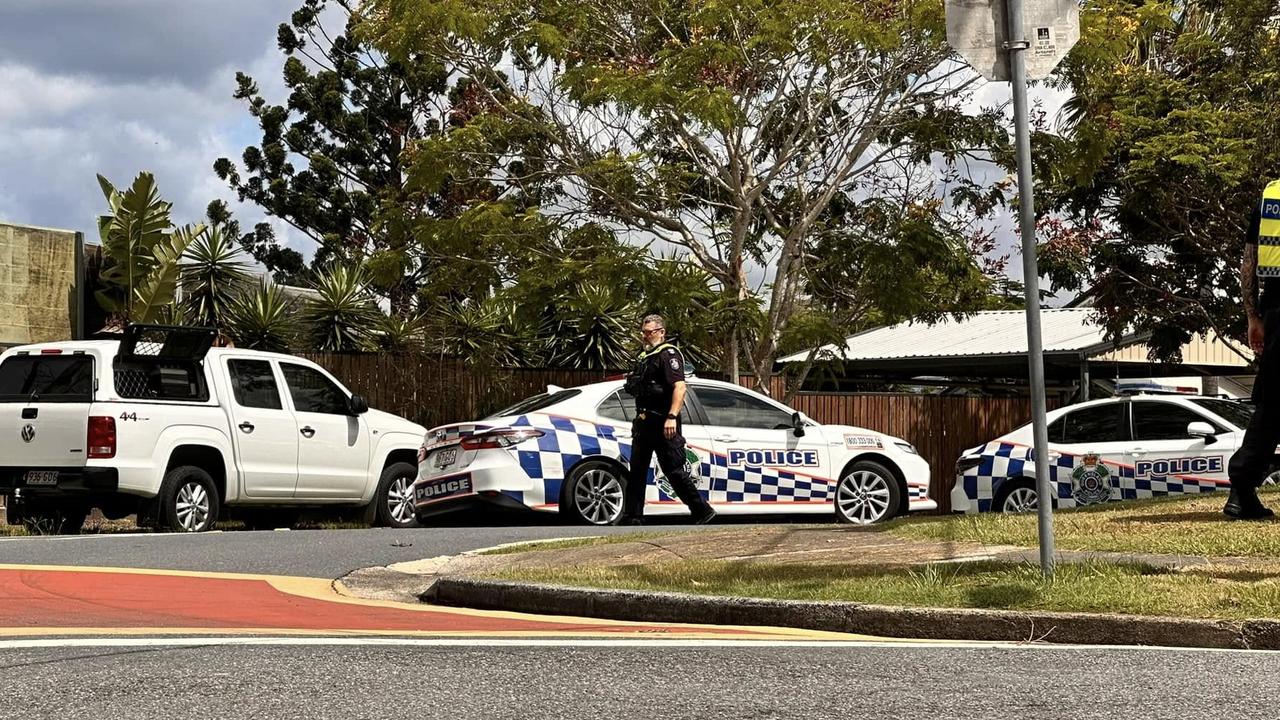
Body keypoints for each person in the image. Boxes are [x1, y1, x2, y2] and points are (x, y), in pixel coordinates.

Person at [620, 314, 716, 525]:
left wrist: (672, 416)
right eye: (643, 333)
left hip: (663, 421)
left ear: (661, 332)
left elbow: (680, 387)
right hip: (644, 422)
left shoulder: (668, 354)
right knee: (636, 470)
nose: (645, 336)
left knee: (673, 469)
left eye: (650, 332)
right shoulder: (645, 357)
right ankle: (633, 516)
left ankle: (701, 510)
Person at [1226, 180, 1280, 520]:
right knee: (1274, 404)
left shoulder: (1272, 195)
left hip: (1277, 309)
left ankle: (1242, 487)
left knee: (1274, 403)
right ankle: (1242, 486)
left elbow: (1250, 261)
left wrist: (1253, 316)